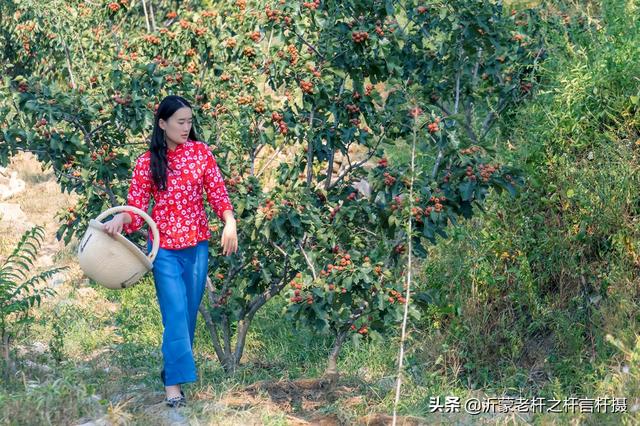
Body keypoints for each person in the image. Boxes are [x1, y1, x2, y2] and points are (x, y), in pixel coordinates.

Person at [102, 95, 238, 408]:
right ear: (162, 124)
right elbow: (136, 210)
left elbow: (217, 192)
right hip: (163, 250)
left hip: (197, 247)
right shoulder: (147, 162)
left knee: (188, 315)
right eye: (181, 122)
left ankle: (172, 368)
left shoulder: (201, 153)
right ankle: (173, 387)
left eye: (190, 121)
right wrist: (120, 218)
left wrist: (229, 222)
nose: (187, 127)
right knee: (175, 313)